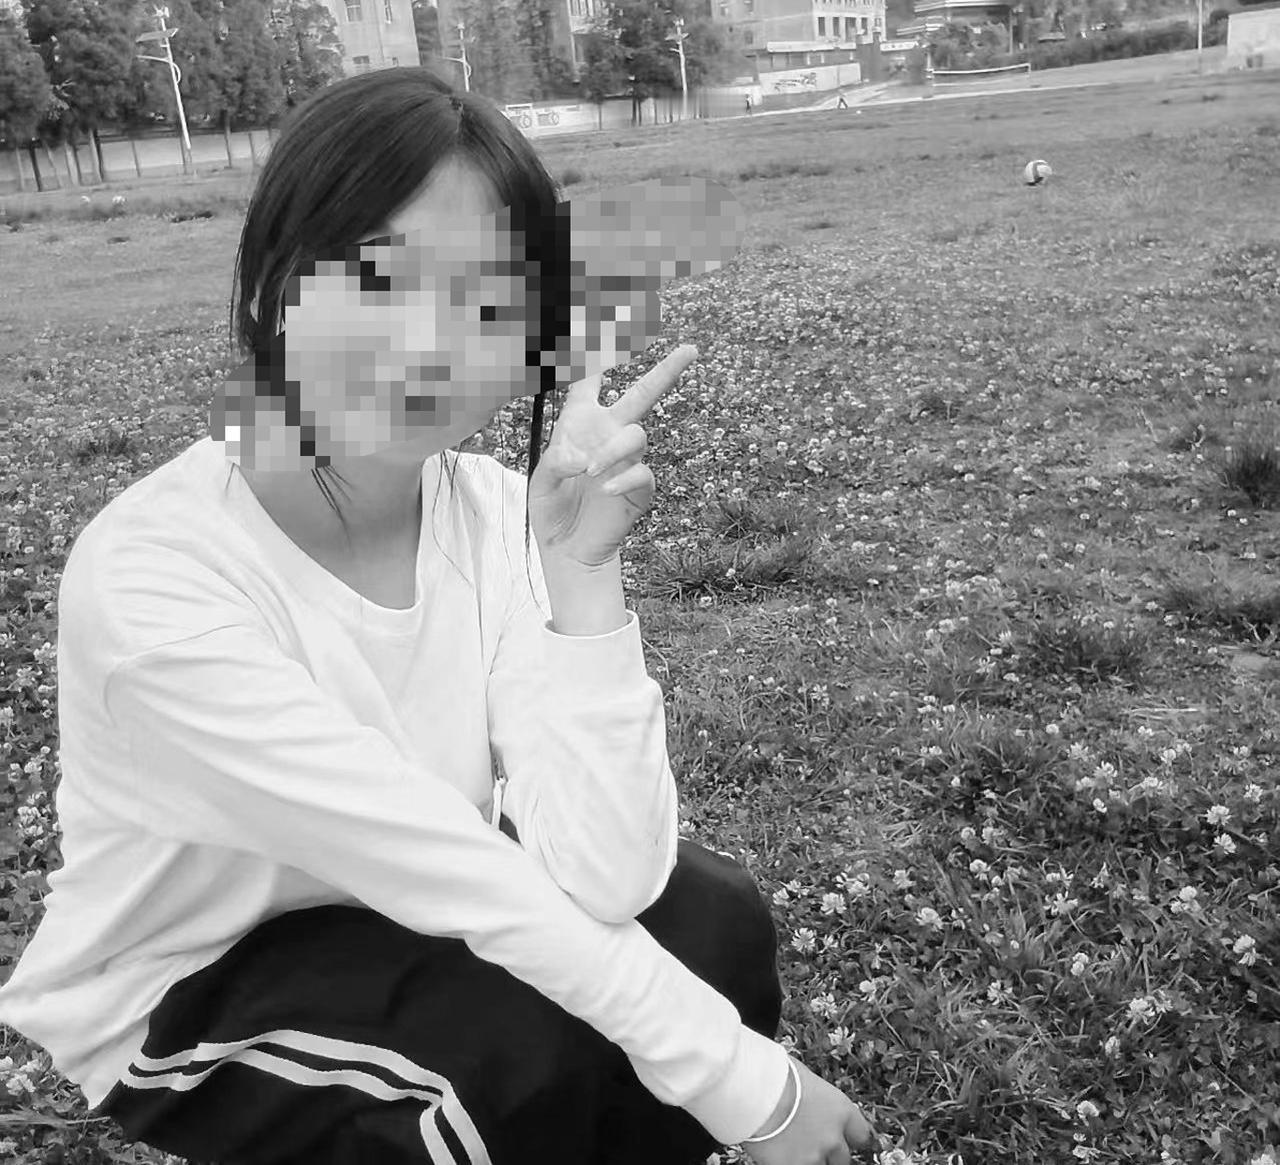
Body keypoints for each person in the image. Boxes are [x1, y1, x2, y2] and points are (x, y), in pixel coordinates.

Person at [0, 67, 880, 1165]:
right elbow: (439, 863)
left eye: (487, 300)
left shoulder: (498, 513)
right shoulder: (155, 577)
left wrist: (580, 576)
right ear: (274, 286)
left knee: (708, 918)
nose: (430, 340)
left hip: (410, 902)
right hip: (193, 979)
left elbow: (607, 877)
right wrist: (744, 1082)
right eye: (379, 275)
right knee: (488, 1068)